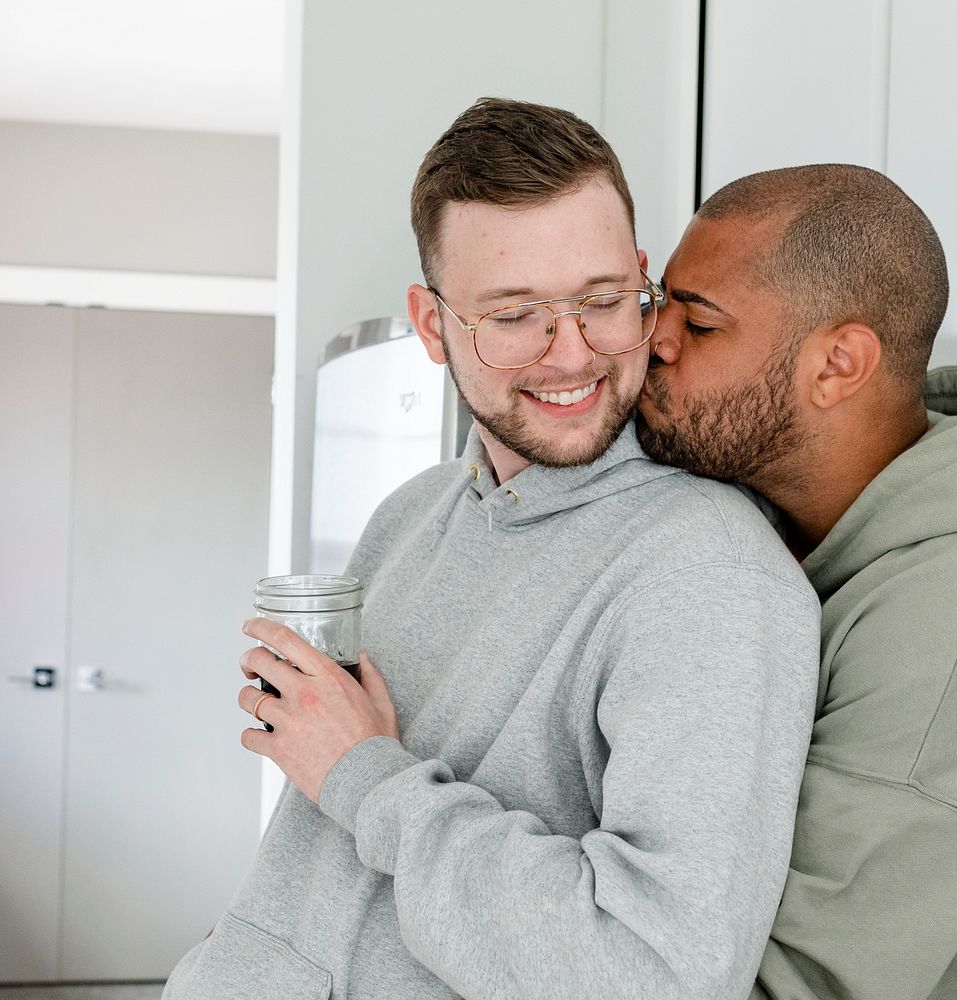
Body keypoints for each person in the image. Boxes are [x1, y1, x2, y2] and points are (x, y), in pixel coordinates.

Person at [162, 99, 819, 1000]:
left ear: (640, 281)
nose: (572, 355)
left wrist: (363, 777)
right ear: (432, 327)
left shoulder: (707, 573)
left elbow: (654, 974)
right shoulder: (412, 511)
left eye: (601, 301)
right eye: (513, 317)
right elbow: (329, 855)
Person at [635, 163, 957, 999]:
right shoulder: (763, 503)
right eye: (662, 303)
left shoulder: (952, 620)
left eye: (699, 322)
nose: (653, 339)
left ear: (839, 364)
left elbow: (797, 988)